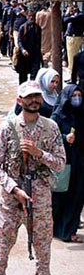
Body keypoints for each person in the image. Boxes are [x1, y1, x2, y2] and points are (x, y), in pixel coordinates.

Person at [0, 81, 66, 275]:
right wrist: (14, 188)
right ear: (19, 100)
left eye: (37, 97)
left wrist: (39, 153)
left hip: (40, 198)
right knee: (2, 248)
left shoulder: (51, 128)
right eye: (29, 97)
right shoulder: (7, 128)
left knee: (43, 249)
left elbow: (61, 163)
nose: (34, 101)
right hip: (12, 200)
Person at [51, 84, 84, 243]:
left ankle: (69, 230)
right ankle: (55, 228)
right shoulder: (58, 116)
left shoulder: (81, 114)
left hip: (79, 162)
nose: (77, 99)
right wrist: (65, 138)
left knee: (76, 196)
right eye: (74, 96)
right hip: (64, 162)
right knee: (59, 196)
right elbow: (49, 137)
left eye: (79, 95)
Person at [15, 7, 42, 84]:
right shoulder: (22, 28)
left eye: (33, 16)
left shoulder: (37, 28)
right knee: (23, 76)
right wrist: (23, 50)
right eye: (29, 16)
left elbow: (39, 42)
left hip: (34, 55)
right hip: (24, 55)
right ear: (27, 16)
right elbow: (19, 41)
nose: (31, 18)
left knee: (34, 75)